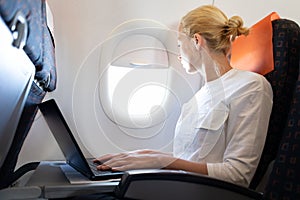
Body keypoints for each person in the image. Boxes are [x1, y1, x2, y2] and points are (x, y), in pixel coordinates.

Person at [94, 5, 273, 187]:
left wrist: (161, 162)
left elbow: (238, 175)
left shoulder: (251, 86)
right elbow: (190, 161)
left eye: (179, 45)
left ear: (196, 40)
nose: (179, 54)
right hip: (181, 187)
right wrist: (147, 155)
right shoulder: (199, 97)